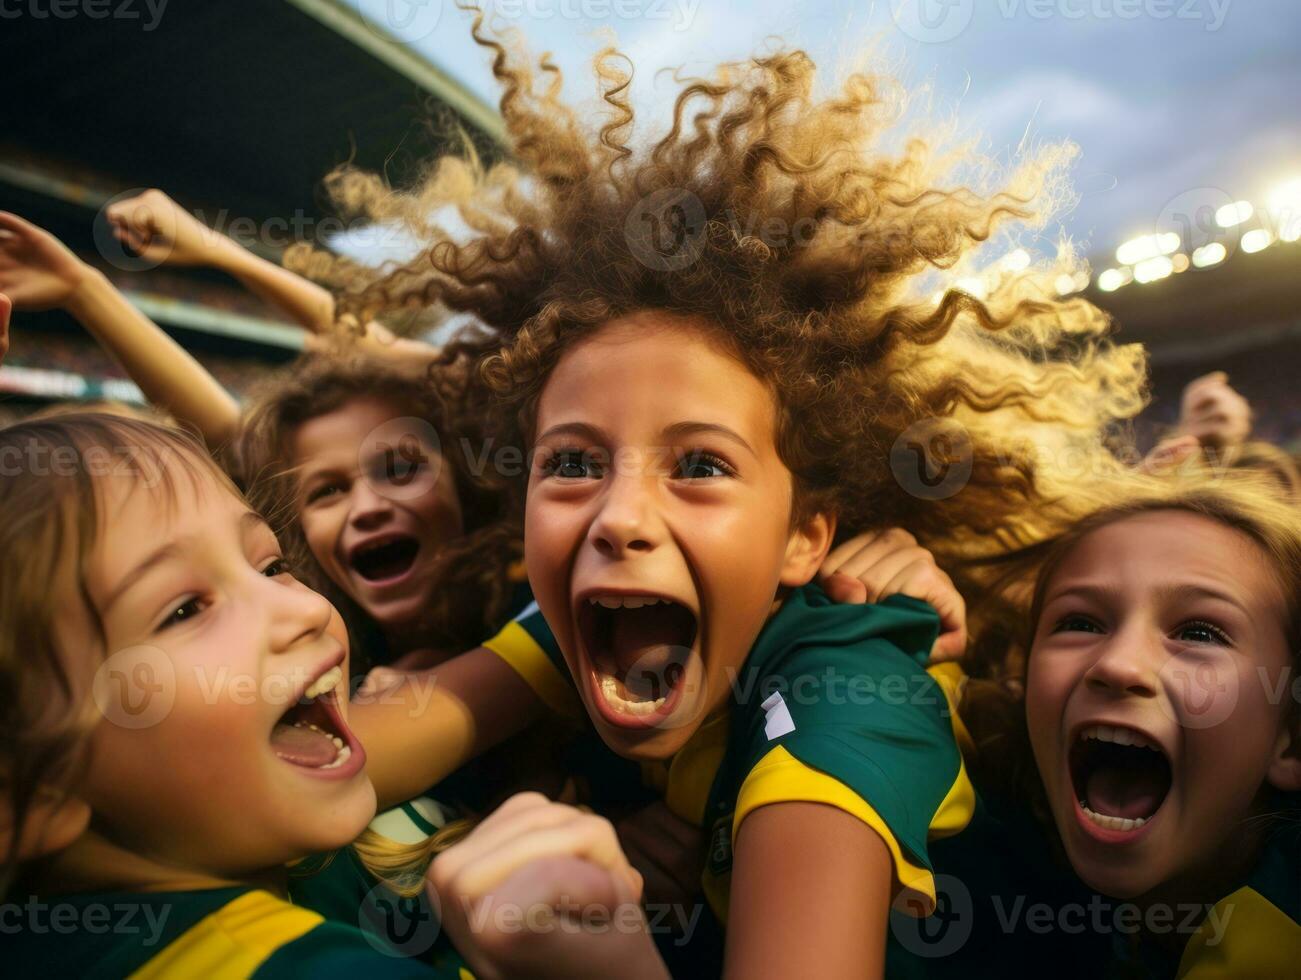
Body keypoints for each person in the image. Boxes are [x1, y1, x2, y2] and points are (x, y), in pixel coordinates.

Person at [301, 12, 1147, 975]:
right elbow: (316, 777)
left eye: (699, 467)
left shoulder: (850, 683)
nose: (619, 519)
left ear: (803, 539)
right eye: (572, 464)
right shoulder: (569, 621)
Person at [0, 412, 668, 978]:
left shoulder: (213, 831)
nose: (305, 612)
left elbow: (478, 691)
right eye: (183, 610)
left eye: (271, 565)